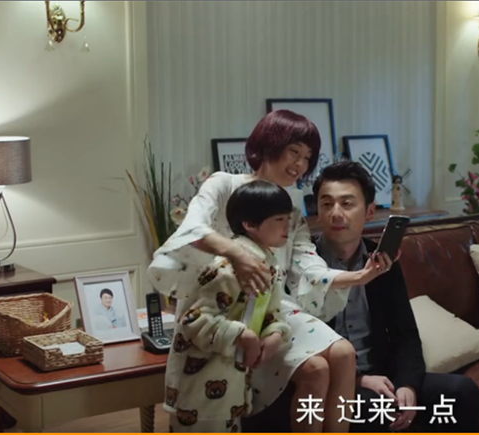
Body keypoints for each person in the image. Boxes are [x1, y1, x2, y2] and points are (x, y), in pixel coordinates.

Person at [147, 110, 396, 433]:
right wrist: (236, 253)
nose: (300, 164)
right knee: (316, 369)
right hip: (220, 307)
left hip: (269, 308)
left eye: (307, 157)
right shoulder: (224, 185)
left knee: (344, 352)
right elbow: (190, 228)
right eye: (294, 152)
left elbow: (308, 267)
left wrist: (362, 276)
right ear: (269, 145)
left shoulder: (291, 210)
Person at [310, 161, 479, 432]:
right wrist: (359, 380)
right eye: (327, 204)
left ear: (369, 211)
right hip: (334, 383)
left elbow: (406, 334)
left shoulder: (383, 261)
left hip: (385, 374)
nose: (335, 213)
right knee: (379, 411)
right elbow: (302, 347)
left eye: (347, 203)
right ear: (318, 212)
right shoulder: (304, 265)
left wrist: (408, 386)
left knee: (461, 391)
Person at [164, 180, 293, 432]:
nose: (287, 226)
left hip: (233, 385)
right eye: (279, 219)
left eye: (288, 218)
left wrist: (276, 334)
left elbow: (272, 312)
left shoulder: (268, 262)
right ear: (249, 224)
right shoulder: (228, 267)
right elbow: (193, 320)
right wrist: (243, 336)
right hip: (199, 389)